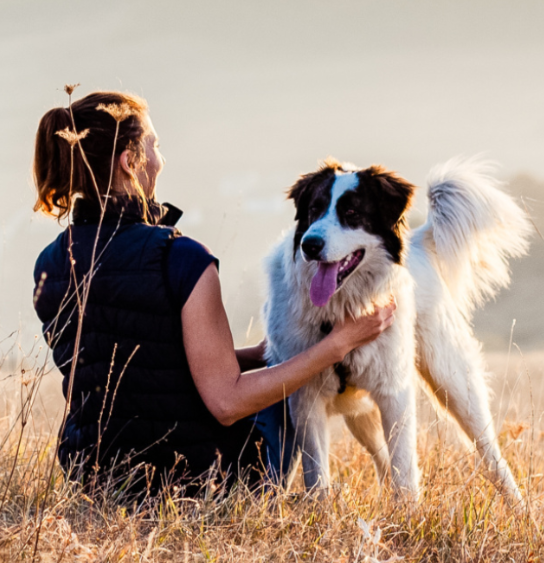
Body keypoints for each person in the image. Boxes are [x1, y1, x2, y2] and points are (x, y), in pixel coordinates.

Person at [32, 90, 396, 498]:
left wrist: (257, 355)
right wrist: (336, 344)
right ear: (129, 162)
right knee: (286, 388)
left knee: (276, 368)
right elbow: (227, 401)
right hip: (195, 482)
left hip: (93, 479)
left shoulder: (51, 263)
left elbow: (139, 364)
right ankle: (303, 497)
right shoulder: (182, 259)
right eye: (154, 146)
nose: (161, 160)